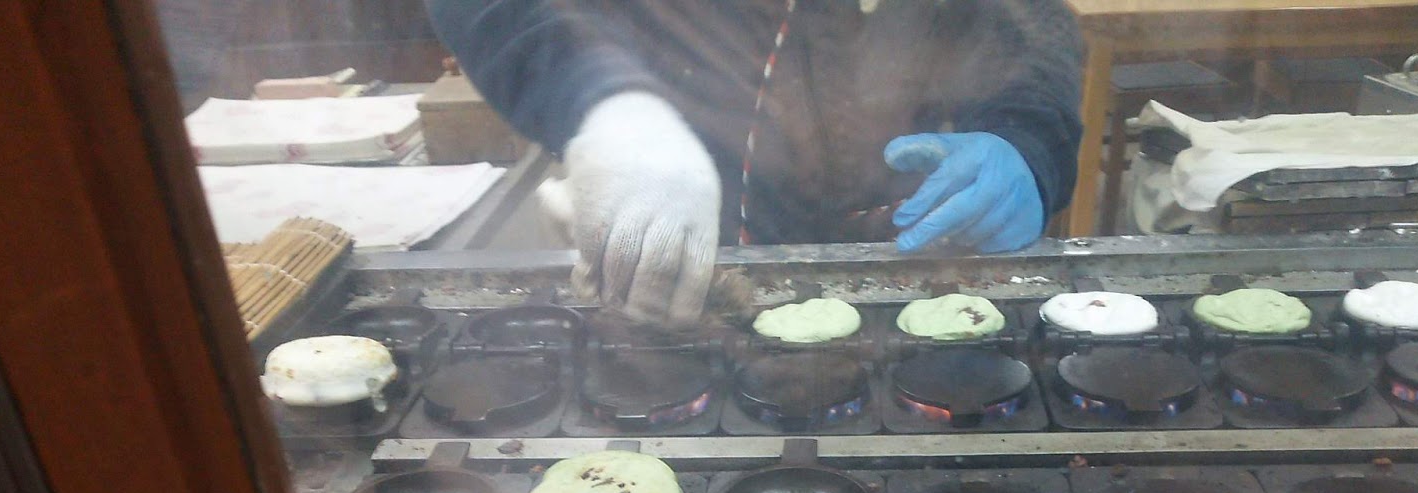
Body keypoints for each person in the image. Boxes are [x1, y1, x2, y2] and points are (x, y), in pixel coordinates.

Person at [427, 0, 1084, 324]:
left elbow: (1026, 20)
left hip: (911, 264)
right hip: (676, 235)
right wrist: (608, 108)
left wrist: (1024, 140)